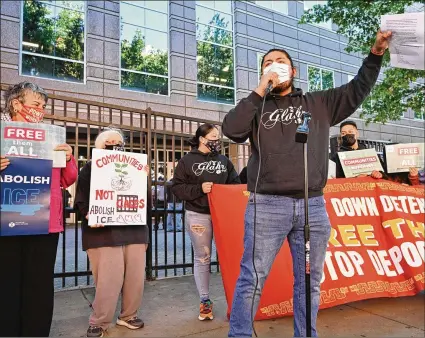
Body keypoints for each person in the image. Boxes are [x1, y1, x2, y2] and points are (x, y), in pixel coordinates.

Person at [222, 30, 391, 337]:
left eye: (281, 61)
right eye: (268, 63)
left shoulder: (318, 103)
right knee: (253, 277)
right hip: (267, 206)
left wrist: (376, 53)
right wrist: (261, 89)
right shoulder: (255, 105)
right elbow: (231, 130)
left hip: (312, 206)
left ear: (293, 70)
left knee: (309, 282)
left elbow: (357, 89)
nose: (275, 66)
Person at [0, 81, 78, 337]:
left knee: (39, 285)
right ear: (15, 104)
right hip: (5, 223)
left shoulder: (51, 138)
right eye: (36, 104)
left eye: (43, 106)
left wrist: (68, 158)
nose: (41, 110)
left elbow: (67, 179)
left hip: (44, 223)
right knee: (6, 284)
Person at [74, 128, 149, 337]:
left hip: (134, 230)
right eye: (110, 141)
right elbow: (80, 199)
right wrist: (89, 214)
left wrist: (144, 178)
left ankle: (128, 316)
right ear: (99, 146)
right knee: (108, 278)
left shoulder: (134, 168)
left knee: (135, 276)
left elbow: (145, 201)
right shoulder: (89, 169)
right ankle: (99, 320)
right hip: (103, 232)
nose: (115, 144)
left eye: (119, 141)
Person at [171, 123, 241, 321]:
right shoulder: (186, 161)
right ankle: (205, 301)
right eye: (212, 136)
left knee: (229, 256)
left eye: (218, 137)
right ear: (202, 139)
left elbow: (234, 185)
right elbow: (177, 187)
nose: (216, 140)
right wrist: (200, 189)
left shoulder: (224, 161)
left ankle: (236, 302)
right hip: (197, 215)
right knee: (202, 257)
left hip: (223, 215)